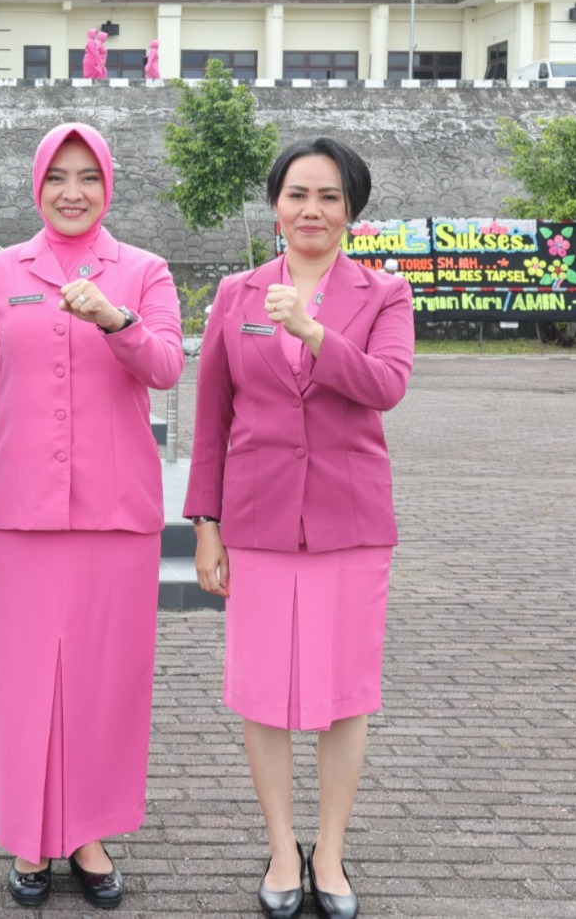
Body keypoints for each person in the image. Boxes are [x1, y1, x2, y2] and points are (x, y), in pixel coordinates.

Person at [0, 122, 184, 910]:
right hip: (19, 509)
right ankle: (27, 832)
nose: (72, 192)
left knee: (103, 682)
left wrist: (116, 321)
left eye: (87, 177)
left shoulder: (143, 271)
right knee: (21, 681)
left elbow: (165, 367)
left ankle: (87, 832)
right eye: (57, 176)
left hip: (116, 512)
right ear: (36, 185)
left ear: (107, 186)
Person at [186, 136, 413, 919]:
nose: (310, 210)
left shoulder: (383, 294)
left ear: (351, 209)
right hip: (257, 523)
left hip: (350, 525)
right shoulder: (236, 293)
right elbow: (211, 417)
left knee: (345, 694)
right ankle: (283, 846)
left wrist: (315, 333)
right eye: (296, 195)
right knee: (263, 691)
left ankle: (331, 851)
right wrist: (206, 524)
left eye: (327, 197)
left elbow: (385, 385)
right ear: (275, 206)